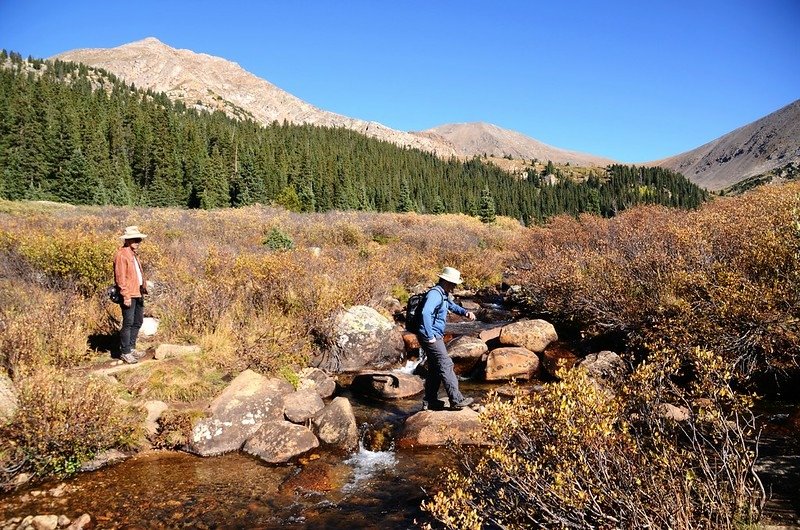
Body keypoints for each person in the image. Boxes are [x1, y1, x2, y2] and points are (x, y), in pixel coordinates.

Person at [417, 266, 476, 411]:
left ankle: (429, 401)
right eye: (454, 283)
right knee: (446, 364)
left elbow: (452, 306)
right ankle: (456, 400)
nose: (455, 286)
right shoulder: (435, 294)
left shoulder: (443, 294)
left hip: (433, 335)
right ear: (447, 281)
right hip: (430, 336)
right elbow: (425, 313)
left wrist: (465, 312)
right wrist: (430, 336)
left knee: (435, 368)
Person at [113, 226, 148, 364]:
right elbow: (120, 278)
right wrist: (125, 295)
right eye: (136, 239)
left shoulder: (133, 254)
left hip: (137, 292)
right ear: (128, 240)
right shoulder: (122, 255)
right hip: (129, 293)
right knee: (128, 323)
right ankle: (125, 352)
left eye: (139, 239)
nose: (138, 242)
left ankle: (131, 348)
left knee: (138, 321)